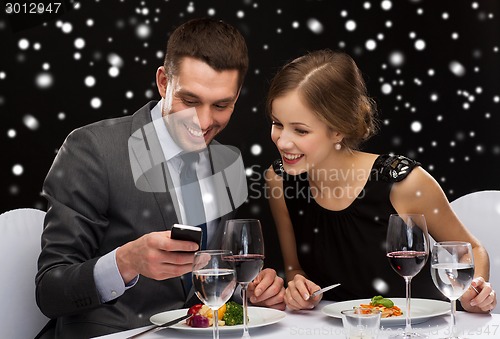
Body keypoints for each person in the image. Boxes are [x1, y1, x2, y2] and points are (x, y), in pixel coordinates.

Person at [36, 18, 285, 338]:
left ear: (237, 97)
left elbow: (208, 278)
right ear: (164, 82)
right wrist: (125, 262)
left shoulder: (227, 164)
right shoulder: (93, 149)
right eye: (191, 100)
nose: (204, 122)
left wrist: (248, 292)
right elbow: (50, 292)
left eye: (221, 105)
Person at [264, 49, 496, 312]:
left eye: (300, 130)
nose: (282, 141)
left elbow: (472, 249)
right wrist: (298, 286)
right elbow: (296, 268)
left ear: (338, 129)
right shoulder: (279, 180)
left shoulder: (403, 183)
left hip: (422, 327)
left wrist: (474, 293)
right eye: (277, 123)